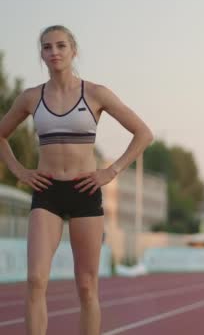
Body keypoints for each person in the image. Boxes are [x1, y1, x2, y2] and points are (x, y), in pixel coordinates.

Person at [0, 25, 153, 335]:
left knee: (86, 285)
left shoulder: (96, 93)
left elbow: (143, 133)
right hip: (48, 193)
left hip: (85, 192)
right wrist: (19, 170)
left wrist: (112, 170)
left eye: (60, 46)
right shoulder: (31, 97)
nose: (53, 52)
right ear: (41, 55)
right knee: (35, 280)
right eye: (46, 47)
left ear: (73, 51)